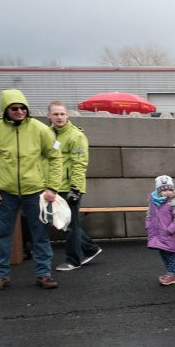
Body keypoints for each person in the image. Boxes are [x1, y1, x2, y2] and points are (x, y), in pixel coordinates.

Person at [0, 89, 62, 292]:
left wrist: (53, 187)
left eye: (22, 108)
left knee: (40, 234)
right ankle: (0, 276)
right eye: (14, 108)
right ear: (5, 110)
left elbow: (55, 158)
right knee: (2, 235)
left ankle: (44, 274)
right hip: (4, 191)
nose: (19, 111)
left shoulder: (40, 129)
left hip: (35, 191)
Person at [47, 101, 103, 272]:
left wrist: (76, 189)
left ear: (67, 115)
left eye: (62, 114)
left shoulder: (76, 136)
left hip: (69, 187)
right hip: (53, 187)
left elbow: (79, 164)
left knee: (70, 224)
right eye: (55, 114)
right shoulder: (46, 134)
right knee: (61, 222)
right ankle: (90, 248)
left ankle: (74, 259)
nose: (59, 117)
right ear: (49, 116)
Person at [146, 175, 175, 286]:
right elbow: (149, 215)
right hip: (157, 234)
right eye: (164, 190)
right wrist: (148, 225)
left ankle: (172, 274)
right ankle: (170, 273)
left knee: (170, 254)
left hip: (168, 234)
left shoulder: (174, 202)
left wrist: (170, 230)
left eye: (170, 189)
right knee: (163, 253)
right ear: (158, 191)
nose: (168, 192)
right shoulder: (154, 202)